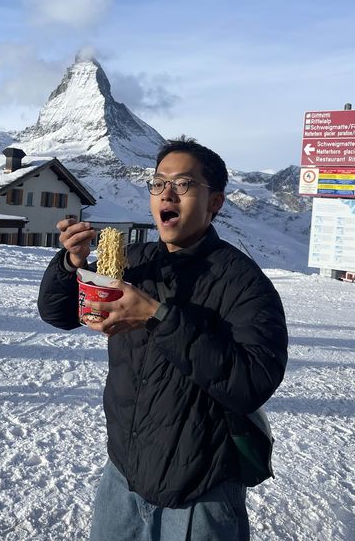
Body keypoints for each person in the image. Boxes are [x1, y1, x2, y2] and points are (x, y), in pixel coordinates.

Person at [38, 136, 288, 541]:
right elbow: (60, 313)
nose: (166, 193)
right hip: (123, 475)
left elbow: (252, 382)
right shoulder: (135, 262)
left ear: (215, 203)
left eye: (183, 184)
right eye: (157, 183)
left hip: (200, 491)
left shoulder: (244, 282)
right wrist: (71, 264)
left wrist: (157, 316)